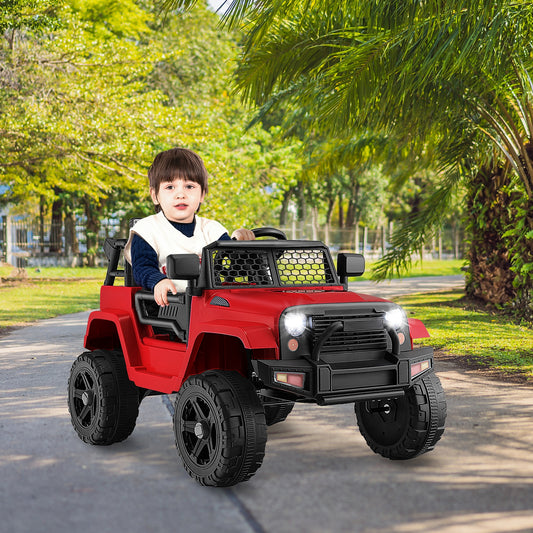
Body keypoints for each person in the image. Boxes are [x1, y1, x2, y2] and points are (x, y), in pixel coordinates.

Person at [124, 147, 254, 306]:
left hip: (211, 303)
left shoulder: (211, 230)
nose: (180, 194)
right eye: (170, 187)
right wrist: (158, 281)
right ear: (155, 195)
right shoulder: (147, 230)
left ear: (202, 194)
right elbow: (142, 267)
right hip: (167, 306)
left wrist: (240, 241)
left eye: (189, 186)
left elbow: (234, 260)